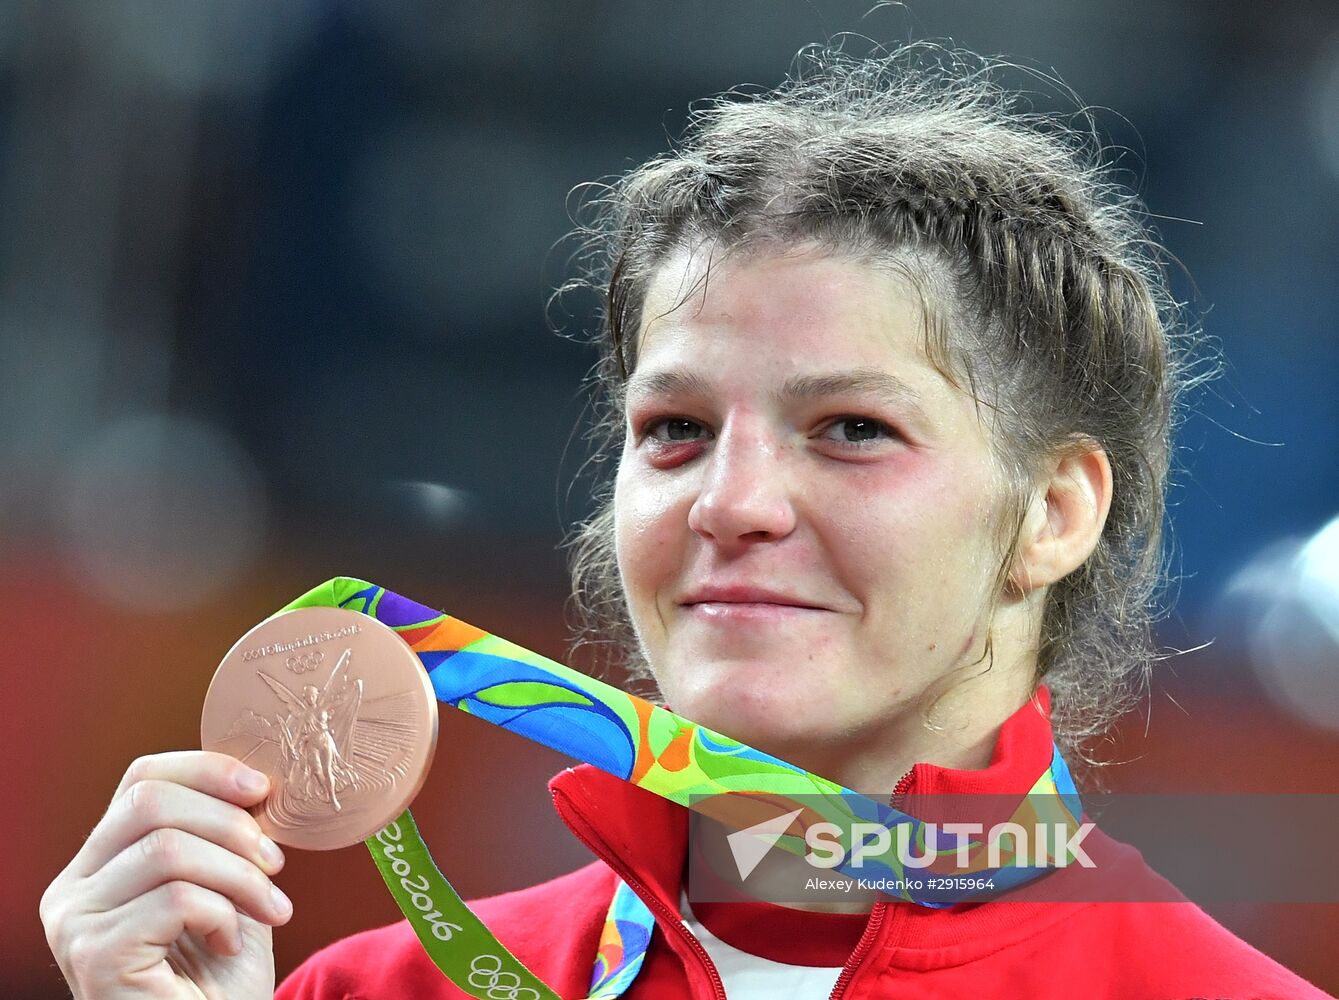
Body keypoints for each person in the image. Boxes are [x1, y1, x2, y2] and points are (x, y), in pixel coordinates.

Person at [39, 43, 1334, 999]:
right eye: (676, 432)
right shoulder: (371, 992)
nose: (730, 504)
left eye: (851, 431)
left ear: (1054, 514)